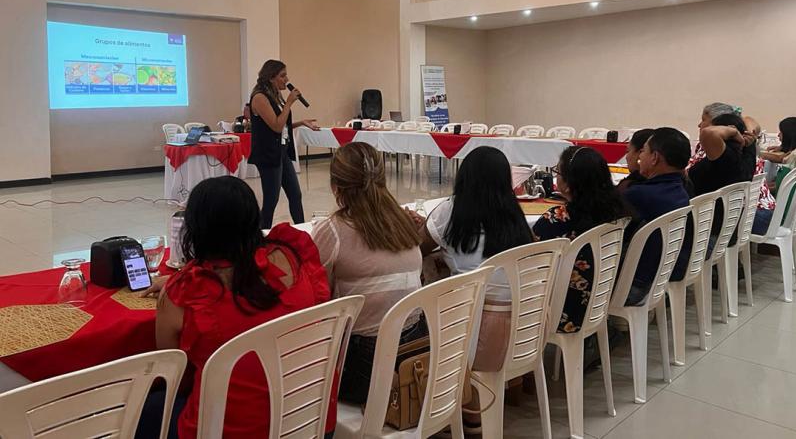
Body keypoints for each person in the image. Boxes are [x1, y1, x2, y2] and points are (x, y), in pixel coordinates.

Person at [136, 176, 332, 439]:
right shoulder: (293, 255)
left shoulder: (183, 295)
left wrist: (180, 281)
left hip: (230, 430)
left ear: (196, 230)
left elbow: (176, 381)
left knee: (146, 408)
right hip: (311, 419)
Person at [311, 142, 426, 404]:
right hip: (417, 348)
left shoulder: (333, 231)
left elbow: (318, 299)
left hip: (365, 364)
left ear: (335, 187)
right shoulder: (404, 221)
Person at [419, 146, 533, 370]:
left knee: (427, 266)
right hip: (528, 328)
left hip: (473, 333)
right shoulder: (515, 214)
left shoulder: (449, 211)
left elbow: (418, 249)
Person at [532, 146, 628, 332]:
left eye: (557, 172)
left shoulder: (556, 219)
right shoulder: (616, 211)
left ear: (568, 184)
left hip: (563, 309)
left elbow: (531, 262)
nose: (556, 176)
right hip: (600, 300)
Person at [621, 128, 692, 304]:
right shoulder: (680, 188)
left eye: (643, 151)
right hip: (660, 278)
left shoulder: (639, 195)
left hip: (634, 286)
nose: (639, 157)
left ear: (655, 158)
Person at [248, 59, 319, 228]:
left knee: (295, 194)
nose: (286, 79)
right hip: (268, 154)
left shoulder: (274, 94)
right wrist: (289, 102)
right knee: (271, 200)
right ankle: (261, 236)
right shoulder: (259, 97)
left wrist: (300, 122)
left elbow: (282, 125)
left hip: (281, 152)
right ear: (271, 77)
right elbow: (276, 126)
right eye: (282, 76)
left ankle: (303, 230)